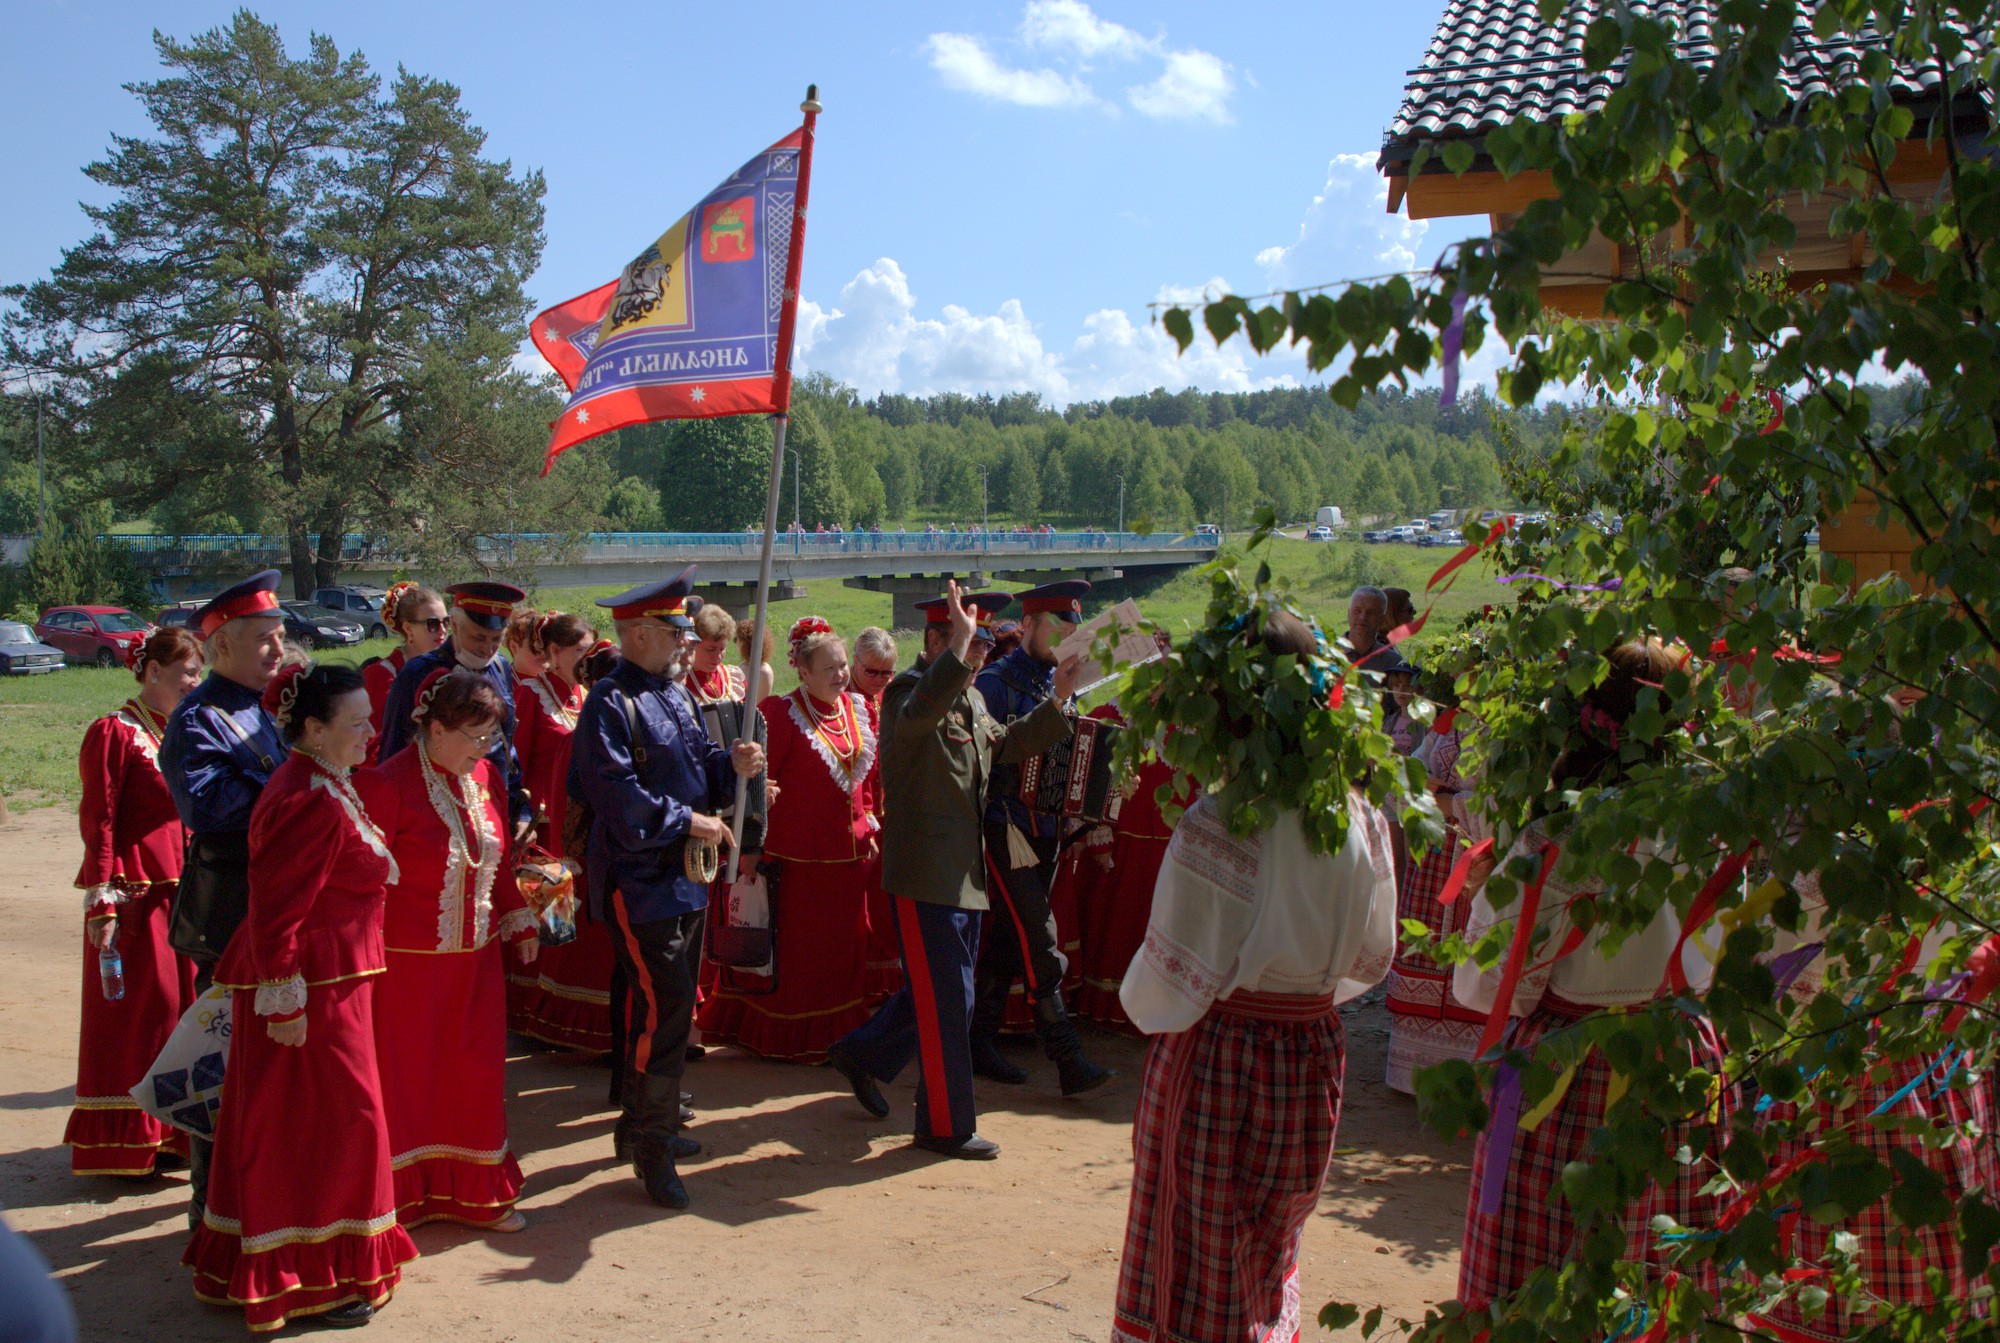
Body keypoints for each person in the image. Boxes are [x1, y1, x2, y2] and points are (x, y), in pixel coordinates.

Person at [1111, 608, 1399, 1343]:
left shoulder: (1221, 822)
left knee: (1196, 1267)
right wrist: (1303, 990)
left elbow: (1163, 995)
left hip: (1221, 1054)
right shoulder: (1359, 815)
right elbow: (1374, 956)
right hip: (1312, 1051)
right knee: (1271, 1249)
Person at [1450, 640, 1728, 1311]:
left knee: (1545, 1261)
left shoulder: (1557, 839)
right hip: (1674, 1058)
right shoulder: (1705, 825)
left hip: (1569, 1072)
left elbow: (1486, 986)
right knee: (1654, 1258)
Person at [183, 663, 418, 1332]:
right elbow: (277, 911)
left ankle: (290, 1261)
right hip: (312, 993)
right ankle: (314, 1273)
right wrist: (284, 1002)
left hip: (329, 986)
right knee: (335, 1128)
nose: (372, 733)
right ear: (312, 729)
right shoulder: (310, 795)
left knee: (300, 1127)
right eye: (356, 724)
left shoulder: (321, 780)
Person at [825, 583, 1079, 1160]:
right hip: (924, 874)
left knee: (938, 993)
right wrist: (959, 659)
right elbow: (919, 717)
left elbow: (1007, 745)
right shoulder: (911, 693)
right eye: (972, 641)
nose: (983, 653)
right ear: (937, 640)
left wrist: (1060, 699)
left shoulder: (968, 698)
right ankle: (944, 1125)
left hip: (962, 873)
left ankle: (863, 1054)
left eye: (986, 641)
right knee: (951, 1000)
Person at [568, 568, 765, 1209]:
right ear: (641, 633)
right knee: (668, 1007)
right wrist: (693, 820)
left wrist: (730, 765)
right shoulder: (609, 702)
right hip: (638, 880)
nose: (688, 642)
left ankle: (641, 1128)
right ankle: (653, 1147)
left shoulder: (674, 694)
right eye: (678, 632)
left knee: (675, 1008)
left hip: (684, 879)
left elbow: (696, 763)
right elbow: (619, 799)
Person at [358, 669, 539, 1232]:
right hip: (404, 972)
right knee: (408, 1086)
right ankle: (405, 1201)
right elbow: (363, 884)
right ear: (435, 729)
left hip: (476, 966)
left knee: (474, 1080)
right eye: (475, 736)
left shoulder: (484, 774)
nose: (485, 749)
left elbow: (497, 854)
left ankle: (475, 1196)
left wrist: (519, 916)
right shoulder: (387, 786)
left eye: (492, 737)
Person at [157, 569, 290, 1228]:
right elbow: (210, 807)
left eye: (281, 636)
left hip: (270, 917)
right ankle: (211, 1210)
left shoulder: (262, 710)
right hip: (227, 921)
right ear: (223, 647)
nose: (277, 649)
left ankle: (253, 1199)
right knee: (223, 1068)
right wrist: (295, 800)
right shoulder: (199, 718)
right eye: (264, 639)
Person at [698, 618, 878, 1061]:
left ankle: (845, 1039)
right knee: (801, 958)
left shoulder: (858, 709)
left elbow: (866, 779)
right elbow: (757, 786)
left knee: (845, 954)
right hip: (797, 860)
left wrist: (869, 817)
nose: (839, 675)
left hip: (849, 860)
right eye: (829, 668)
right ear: (803, 670)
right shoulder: (780, 713)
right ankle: (793, 1037)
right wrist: (751, 849)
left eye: (842, 666)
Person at [66, 625, 204, 1178]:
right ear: (151, 672)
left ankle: (171, 1135)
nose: (195, 682)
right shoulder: (115, 732)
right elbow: (98, 818)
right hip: (135, 895)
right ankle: (125, 1143)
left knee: (179, 1015)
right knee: (139, 1019)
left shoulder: (183, 732)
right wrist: (101, 897)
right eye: (187, 673)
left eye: (198, 672)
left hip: (184, 892)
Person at [971, 580, 1115, 1096]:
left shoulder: (1064, 683)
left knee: (1011, 940)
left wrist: (1103, 787)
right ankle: (1066, 1056)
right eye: (1057, 628)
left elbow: (1069, 758)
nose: (1065, 639)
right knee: (1038, 935)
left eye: (1073, 630)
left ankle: (977, 1042)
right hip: (1003, 828)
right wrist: (1056, 699)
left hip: (1048, 830)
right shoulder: (992, 683)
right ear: (1028, 625)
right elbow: (994, 758)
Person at [508, 613, 609, 1051]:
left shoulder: (587, 693)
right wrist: (520, 819)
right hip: (544, 832)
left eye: (591, 650)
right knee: (554, 924)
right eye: (579, 651)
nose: (587, 659)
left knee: (584, 929)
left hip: (582, 826)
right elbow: (515, 764)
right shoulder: (529, 694)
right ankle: (541, 1014)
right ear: (552, 653)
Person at [376, 580, 532, 840]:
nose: (488, 648)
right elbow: (393, 753)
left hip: (491, 810)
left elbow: (506, 744)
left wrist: (520, 808)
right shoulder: (417, 673)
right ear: (455, 625)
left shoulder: (501, 667)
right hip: (433, 817)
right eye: (478, 637)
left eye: (497, 639)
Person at [1383, 705, 1482, 1094]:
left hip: (1476, 858)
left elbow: (1510, 805)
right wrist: (1417, 783)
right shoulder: (1447, 723)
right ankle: (1412, 1073)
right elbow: (1412, 770)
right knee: (1424, 948)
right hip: (1436, 854)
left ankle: (1468, 1074)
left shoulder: (1508, 729)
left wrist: (1452, 805)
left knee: (1472, 949)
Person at [850, 626, 902, 1004]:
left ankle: (886, 982)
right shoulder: (844, 699)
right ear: (855, 663)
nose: (881, 681)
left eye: (888, 673)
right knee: (864, 904)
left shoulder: (889, 697)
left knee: (885, 905)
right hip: (861, 815)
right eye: (873, 673)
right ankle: (864, 983)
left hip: (890, 813)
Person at [362, 584, 444, 765]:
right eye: (433, 624)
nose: (442, 631)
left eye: (446, 622)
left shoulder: (445, 669)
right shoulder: (381, 674)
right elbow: (369, 746)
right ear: (408, 629)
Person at [1344, 585, 1399, 674]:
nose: (1363, 617)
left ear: (1382, 619)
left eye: (1371, 613)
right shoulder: (1327, 654)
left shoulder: (1393, 663)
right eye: (1357, 610)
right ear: (1348, 614)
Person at [734, 615, 776, 703]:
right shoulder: (744, 664)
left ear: (744, 643)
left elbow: (759, 703)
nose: (735, 643)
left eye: (736, 639)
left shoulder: (764, 671)